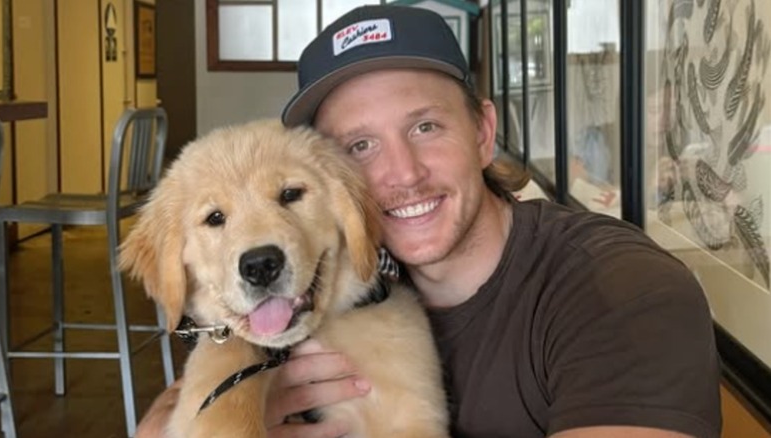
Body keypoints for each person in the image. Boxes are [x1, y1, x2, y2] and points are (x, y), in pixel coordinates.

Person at [137, 5, 722, 438]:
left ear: (484, 132)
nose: (403, 173)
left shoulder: (622, 291)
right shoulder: (343, 278)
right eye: (360, 145)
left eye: (425, 127)